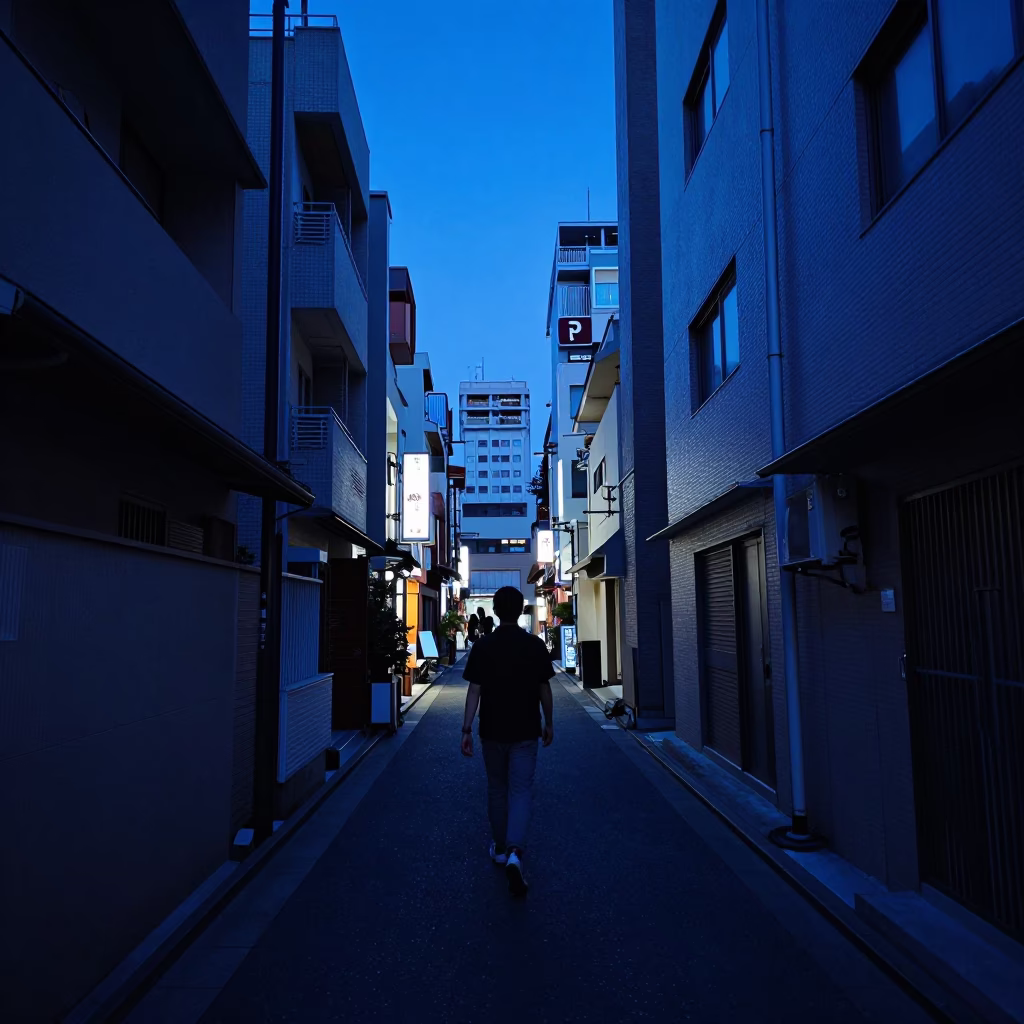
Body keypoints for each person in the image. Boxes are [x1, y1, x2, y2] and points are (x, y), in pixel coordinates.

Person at [460, 586, 554, 897]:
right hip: (526, 730)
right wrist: (549, 722)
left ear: (497, 611)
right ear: (521, 609)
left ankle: (500, 848)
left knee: (497, 789)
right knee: (521, 790)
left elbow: (474, 690)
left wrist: (466, 729)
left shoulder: (484, 646)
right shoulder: (535, 645)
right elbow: (544, 688)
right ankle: (515, 852)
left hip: (492, 730)